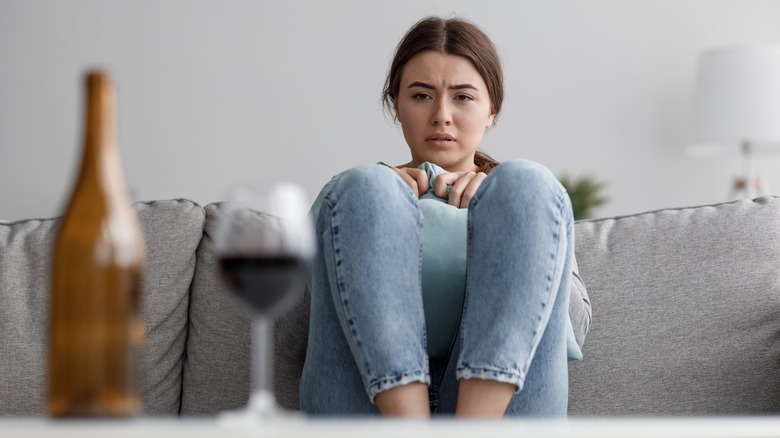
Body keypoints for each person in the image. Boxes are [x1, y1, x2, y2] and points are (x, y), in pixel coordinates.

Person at [299, 15, 591, 418]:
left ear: (492, 110)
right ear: (395, 105)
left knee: (528, 182)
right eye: (421, 96)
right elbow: (287, 334)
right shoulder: (348, 195)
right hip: (366, 410)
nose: (441, 116)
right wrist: (372, 215)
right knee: (363, 186)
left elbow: (573, 324)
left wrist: (499, 216)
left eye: (464, 97)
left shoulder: (528, 202)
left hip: (504, 414)